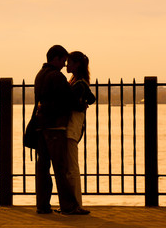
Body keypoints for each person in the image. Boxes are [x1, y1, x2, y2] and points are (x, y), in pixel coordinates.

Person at [34, 45, 89, 215]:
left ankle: (42, 205)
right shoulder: (56, 76)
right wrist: (81, 105)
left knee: (43, 167)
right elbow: (69, 99)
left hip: (41, 126)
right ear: (56, 59)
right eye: (63, 60)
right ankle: (69, 206)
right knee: (61, 167)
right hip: (55, 127)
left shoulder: (40, 75)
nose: (64, 65)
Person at [65, 51, 95, 211]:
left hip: (71, 128)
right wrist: (83, 103)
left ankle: (76, 204)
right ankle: (73, 203)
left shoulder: (78, 84)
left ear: (77, 64)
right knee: (71, 167)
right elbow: (92, 98)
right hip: (74, 128)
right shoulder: (80, 82)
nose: (66, 65)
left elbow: (69, 103)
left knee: (72, 168)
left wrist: (80, 104)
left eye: (69, 62)